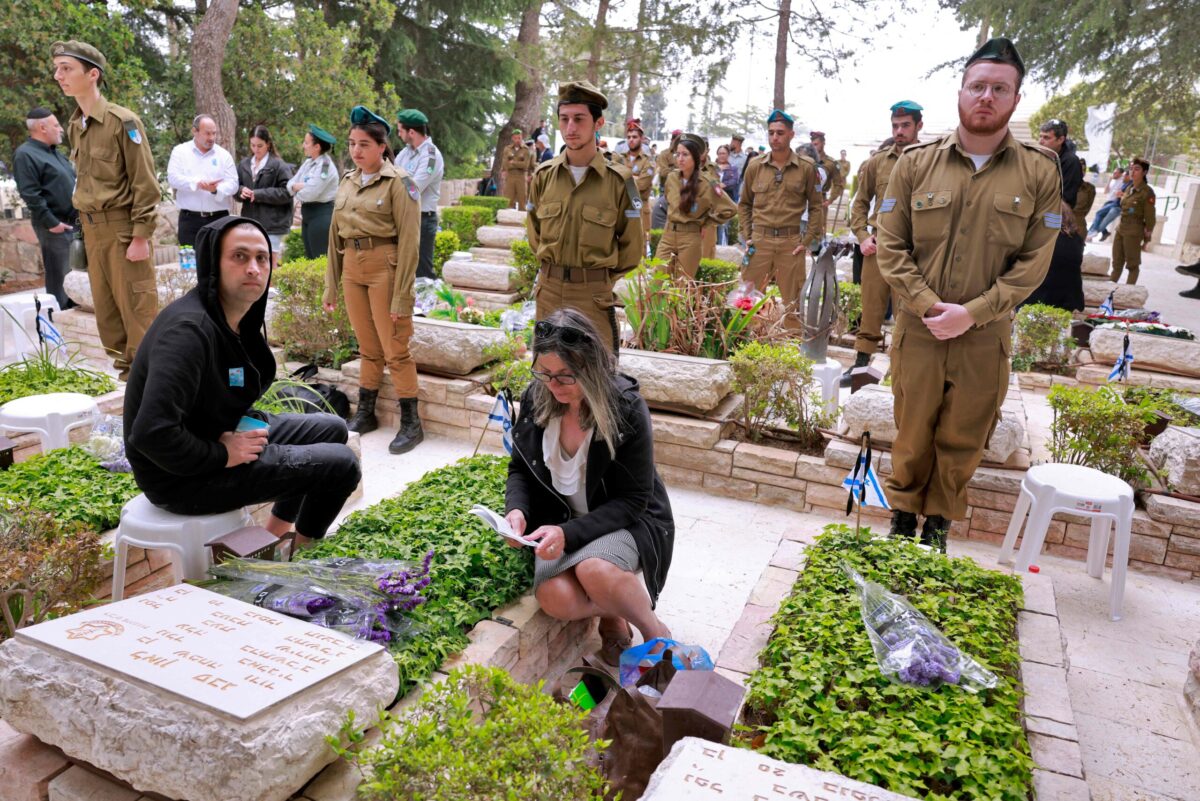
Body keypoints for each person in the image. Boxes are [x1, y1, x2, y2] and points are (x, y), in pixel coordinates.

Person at [875, 36, 1060, 548]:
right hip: (920, 328)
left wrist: (973, 313)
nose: (986, 97)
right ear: (960, 92)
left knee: (965, 434)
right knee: (912, 429)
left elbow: (1034, 262)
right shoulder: (915, 163)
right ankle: (902, 519)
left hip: (985, 335)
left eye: (999, 89)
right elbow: (891, 246)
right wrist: (929, 305)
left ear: (1016, 99)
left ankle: (938, 526)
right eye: (977, 86)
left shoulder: (1039, 170)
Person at [123, 215, 360, 549]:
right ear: (213, 264)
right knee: (343, 466)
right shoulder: (188, 333)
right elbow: (151, 432)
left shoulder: (235, 321)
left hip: (216, 432)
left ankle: (272, 538)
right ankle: (301, 560)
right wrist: (222, 453)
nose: (254, 268)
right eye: (240, 256)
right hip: (178, 478)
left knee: (332, 427)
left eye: (261, 258)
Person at [503, 310, 674, 666]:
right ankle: (614, 610)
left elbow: (633, 500)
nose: (553, 385)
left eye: (565, 376)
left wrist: (568, 533)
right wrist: (517, 511)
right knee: (554, 598)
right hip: (561, 522)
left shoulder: (625, 408)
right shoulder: (537, 398)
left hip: (624, 521)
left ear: (590, 366)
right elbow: (520, 467)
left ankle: (655, 632)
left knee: (594, 570)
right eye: (544, 373)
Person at [53, 40, 160, 380]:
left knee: (137, 313)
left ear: (93, 74)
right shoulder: (76, 125)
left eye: (66, 68)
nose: (58, 76)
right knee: (109, 319)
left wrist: (141, 235)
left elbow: (145, 183)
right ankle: (130, 383)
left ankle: (150, 386)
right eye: (57, 69)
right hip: (92, 230)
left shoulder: (122, 122)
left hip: (123, 230)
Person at [323, 106, 423, 454]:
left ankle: (412, 421)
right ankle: (366, 413)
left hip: (385, 267)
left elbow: (411, 242)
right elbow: (334, 237)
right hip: (353, 266)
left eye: (364, 144)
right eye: (352, 143)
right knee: (367, 347)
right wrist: (330, 284)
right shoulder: (348, 181)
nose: (356, 150)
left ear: (382, 146)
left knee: (395, 348)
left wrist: (402, 296)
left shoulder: (400, 182)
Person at [525, 80, 643, 353]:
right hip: (549, 290)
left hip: (592, 295)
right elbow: (534, 234)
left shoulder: (619, 181)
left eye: (579, 119)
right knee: (547, 374)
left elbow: (632, 247)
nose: (570, 128)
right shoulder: (544, 176)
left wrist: (598, 280)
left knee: (595, 377)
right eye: (564, 119)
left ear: (598, 123)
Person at [843, 100, 924, 386]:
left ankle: (900, 371)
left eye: (905, 125)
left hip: (913, 251)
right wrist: (863, 237)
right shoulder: (877, 161)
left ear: (918, 126)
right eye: (895, 126)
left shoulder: (931, 160)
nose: (899, 131)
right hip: (878, 247)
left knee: (908, 312)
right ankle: (860, 364)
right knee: (871, 308)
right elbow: (859, 204)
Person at [739, 109, 824, 332]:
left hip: (790, 243)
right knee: (747, 299)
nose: (775, 137)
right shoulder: (755, 166)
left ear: (791, 135)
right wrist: (748, 237)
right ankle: (745, 344)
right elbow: (745, 204)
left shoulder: (806, 168)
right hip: (760, 241)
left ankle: (792, 352)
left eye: (780, 133)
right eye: (771, 133)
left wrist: (805, 242)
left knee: (793, 303)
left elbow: (816, 207)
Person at [13, 106, 77, 309]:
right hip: (55, 226)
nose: (61, 129)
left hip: (74, 224)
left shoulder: (56, 154)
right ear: (42, 127)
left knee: (77, 279)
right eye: (56, 125)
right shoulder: (26, 154)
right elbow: (30, 193)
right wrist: (52, 223)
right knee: (61, 280)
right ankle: (62, 327)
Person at [1023, 118, 1086, 310]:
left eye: (1047, 138)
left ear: (1061, 139)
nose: (1041, 141)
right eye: (1040, 137)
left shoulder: (1070, 162)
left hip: (1057, 218)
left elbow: (1064, 198)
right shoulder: (1044, 156)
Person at [656, 134, 736, 277]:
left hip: (690, 238)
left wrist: (706, 222)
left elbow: (730, 209)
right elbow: (669, 201)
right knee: (656, 283)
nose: (680, 158)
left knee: (683, 285)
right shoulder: (671, 178)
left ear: (695, 157)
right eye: (678, 154)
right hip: (668, 236)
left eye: (685, 154)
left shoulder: (707, 183)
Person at [167, 114, 238, 248]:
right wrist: (196, 183)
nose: (211, 138)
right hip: (189, 220)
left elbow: (233, 184)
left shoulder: (224, 155)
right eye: (207, 133)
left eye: (214, 133)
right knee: (192, 265)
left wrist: (216, 190)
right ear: (195, 131)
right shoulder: (180, 152)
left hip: (219, 219)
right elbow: (173, 178)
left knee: (219, 263)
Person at [395, 108, 445, 281]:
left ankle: (427, 307)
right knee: (403, 270)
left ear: (411, 132)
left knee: (422, 273)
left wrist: (399, 177)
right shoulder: (406, 152)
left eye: (400, 130)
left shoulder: (431, 156)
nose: (398, 134)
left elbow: (413, 189)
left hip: (422, 219)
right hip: (403, 217)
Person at [236, 125, 294, 270]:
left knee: (269, 264)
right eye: (252, 145)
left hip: (273, 224)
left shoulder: (279, 166)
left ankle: (271, 292)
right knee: (251, 263)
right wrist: (241, 191)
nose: (256, 149)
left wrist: (259, 194)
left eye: (260, 145)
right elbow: (235, 187)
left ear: (268, 144)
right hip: (250, 223)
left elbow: (287, 193)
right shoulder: (244, 164)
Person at [287, 124, 339, 259]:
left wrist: (298, 188)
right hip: (308, 214)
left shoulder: (325, 167)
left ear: (317, 147)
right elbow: (289, 185)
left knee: (321, 259)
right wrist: (299, 186)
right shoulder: (309, 163)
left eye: (306, 143)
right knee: (310, 258)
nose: (303, 145)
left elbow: (310, 194)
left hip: (321, 215)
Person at [1108, 157, 1156, 284]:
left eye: (1137, 169)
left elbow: (1150, 218)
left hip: (1134, 231)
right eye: (1131, 169)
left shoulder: (1147, 192)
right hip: (1121, 228)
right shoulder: (1129, 188)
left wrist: (1147, 239)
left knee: (1132, 265)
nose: (1132, 172)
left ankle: (1129, 293)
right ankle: (1109, 290)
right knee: (1117, 262)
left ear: (1144, 172)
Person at [614, 118, 655, 252]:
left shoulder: (648, 162)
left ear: (642, 139)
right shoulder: (620, 158)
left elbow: (642, 185)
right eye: (629, 137)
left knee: (639, 249)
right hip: (621, 207)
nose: (631, 139)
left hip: (640, 209)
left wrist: (624, 177)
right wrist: (633, 178)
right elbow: (614, 182)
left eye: (635, 137)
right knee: (621, 247)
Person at [807, 131, 845, 212]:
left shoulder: (831, 163)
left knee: (819, 224)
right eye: (812, 145)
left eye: (816, 144)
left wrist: (830, 200)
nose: (813, 147)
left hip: (821, 200)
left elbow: (838, 184)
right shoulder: (806, 161)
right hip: (803, 199)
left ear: (823, 143)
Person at [1086, 167, 1127, 241]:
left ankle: (1091, 233)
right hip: (1108, 201)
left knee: (1099, 215)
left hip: (1114, 202)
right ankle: (1099, 233)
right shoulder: (1112, 181)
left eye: (1116, 173)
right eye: (1114, 172)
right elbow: (1105, 191)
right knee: (1098, 217)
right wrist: (1109, 180)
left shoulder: (1122, 181)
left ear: (1121, 174)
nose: (1114, 174)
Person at [502, 129, 535, 210]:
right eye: (515, 138)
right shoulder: (507, 149)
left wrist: (513, 162)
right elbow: (506, 164)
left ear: (522, 138)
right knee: (508, 199)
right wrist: (518, 163)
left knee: (522, 199)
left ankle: (522, 220)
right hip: (510, 176)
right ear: (512, 138)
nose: (517, 140)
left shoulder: (526, 150)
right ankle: (508, 219)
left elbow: (525, 165)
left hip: (522, 177)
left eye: (519, 138)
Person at [714, 144, 740, 244]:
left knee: (724, 225)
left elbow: (734, 182)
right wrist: (716, 186)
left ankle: (723, 246)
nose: (722, 155)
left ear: (728, 154)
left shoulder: (733, 168)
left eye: (724, 153)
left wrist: (724, 185)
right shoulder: (712, 167)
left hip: (726, 201)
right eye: (720, 153)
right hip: (713, 202)